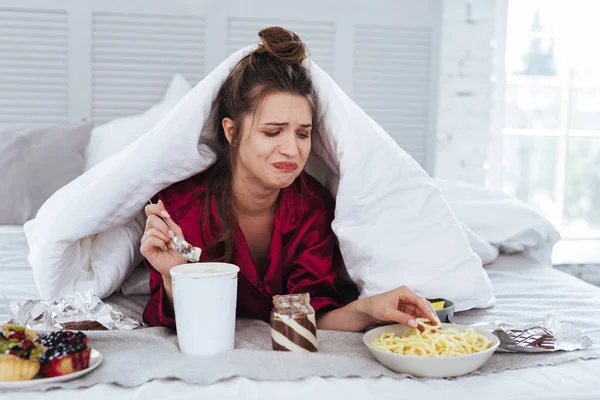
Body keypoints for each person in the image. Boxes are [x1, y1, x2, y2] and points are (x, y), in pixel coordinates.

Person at [141, 26, 439, 332]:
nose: (291, 150)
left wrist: (370, 308)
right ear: (231, 131)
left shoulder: (314, 208)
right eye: (272, 132)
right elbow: (169, 322)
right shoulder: (179, 210)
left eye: (303, 133)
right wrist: (172, 276)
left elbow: (313, 316)